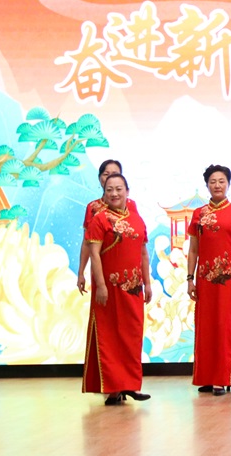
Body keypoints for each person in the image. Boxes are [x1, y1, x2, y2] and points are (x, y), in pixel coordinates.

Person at [82, 173, 152, 405]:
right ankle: (113, 390)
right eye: (109, 189)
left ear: (127, 192)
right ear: (104, 193)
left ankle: (131, 384)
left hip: (133, 289)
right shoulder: (100, 220)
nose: (114, 193)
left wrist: (147, 283)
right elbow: (94, 254)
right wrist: (101, 285)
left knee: (132, 335)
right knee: (110, 336)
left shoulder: (137, 220)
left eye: (119, 189)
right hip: (109, 289)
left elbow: (143, 253)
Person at [186, 164, 231, 396]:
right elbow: (193, 249)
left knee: (225, 326)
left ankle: (222, 378)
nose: (217, 185)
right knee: (206, 328)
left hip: (230, 281)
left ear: (228, 184)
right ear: (207, 185)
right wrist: (190, 278)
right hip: (205, 281)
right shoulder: (199, 214)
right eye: (213, 181)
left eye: (221, 181)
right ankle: (206, 377)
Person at [77, 160, 138, 295]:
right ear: (100, 178)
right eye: (106, 174)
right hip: (102, 268)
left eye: (115, 174)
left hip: (127, 271)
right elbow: (87, 243)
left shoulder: (131, 205)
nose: (110, 177)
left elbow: (138, 239)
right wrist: (81, 272)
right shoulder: (93, 208)